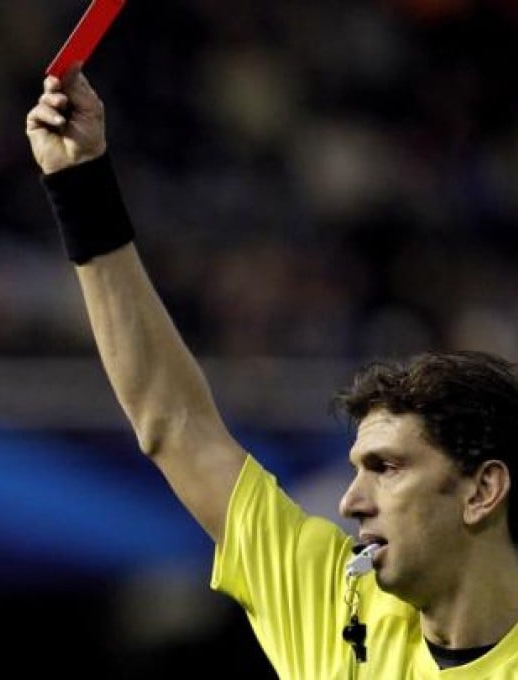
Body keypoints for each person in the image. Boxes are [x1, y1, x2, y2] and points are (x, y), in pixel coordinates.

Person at [25, 66, 518, 677]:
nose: (350, 501)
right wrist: (78, 184)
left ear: (483, 490)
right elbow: (173, 424)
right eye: (359, 469)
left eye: (388, 468)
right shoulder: (330, 609)